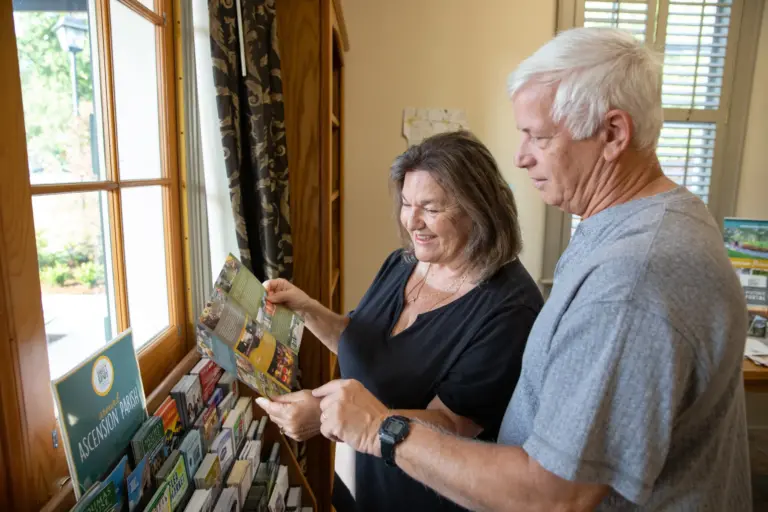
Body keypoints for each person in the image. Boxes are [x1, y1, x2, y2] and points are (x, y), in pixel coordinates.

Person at [313, 27, 752, 511]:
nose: (521, 157)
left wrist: (379, 429)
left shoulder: (632, 279)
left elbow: (552, 496)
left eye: (538, 136)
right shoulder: (633, 223)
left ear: (613, 133)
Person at [255, 131, 544, 511]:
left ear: (480, 209)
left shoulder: (509, 310)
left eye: (431, 208)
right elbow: (362, 341)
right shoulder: (404, 262)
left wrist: (327, 417)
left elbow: (453, 424)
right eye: (407, 203)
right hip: (362, 480)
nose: (412, 221)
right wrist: (306, 308)